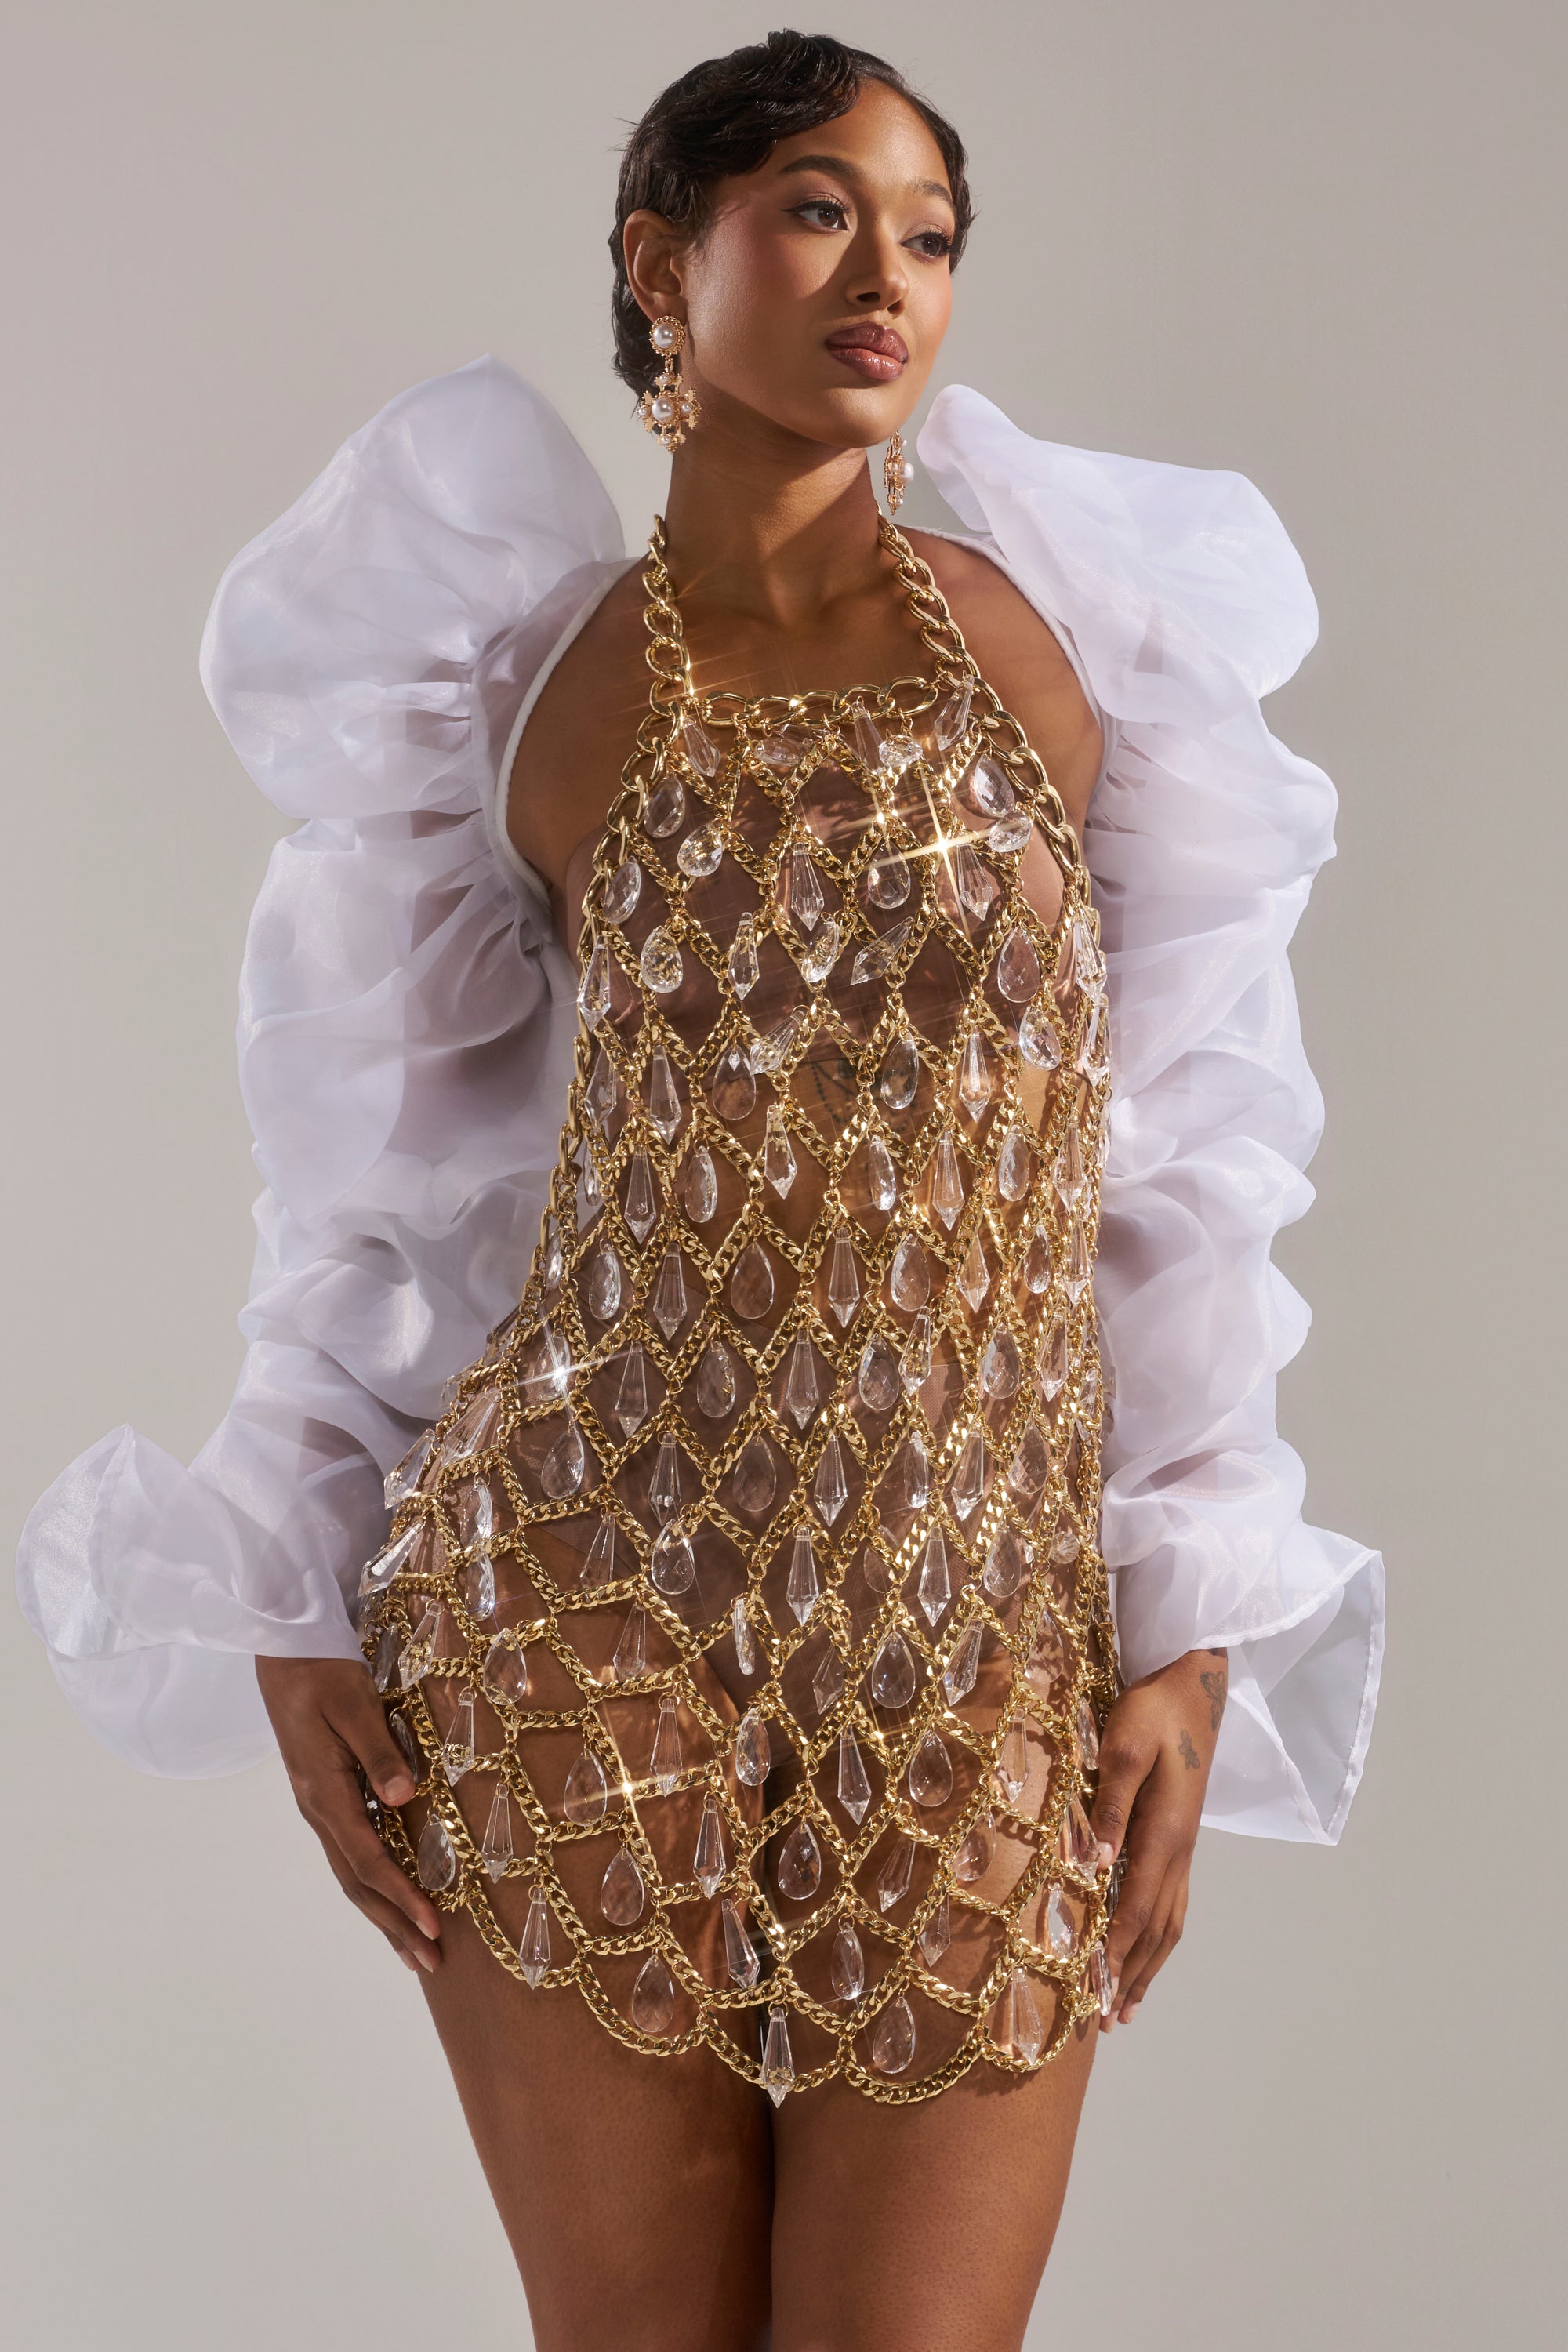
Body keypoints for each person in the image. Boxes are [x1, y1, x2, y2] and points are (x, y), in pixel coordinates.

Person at [16, 31, 1384, 2352]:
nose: (889, 279)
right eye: (819, 212)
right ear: (663, 266)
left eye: (931, 234)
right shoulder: (519, 688)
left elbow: (1192, 1151)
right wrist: (291, 1586)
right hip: (575, 1599)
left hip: (977, 1617)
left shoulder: (1071, 649)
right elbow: (370, 1175)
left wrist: (1193, 1607)